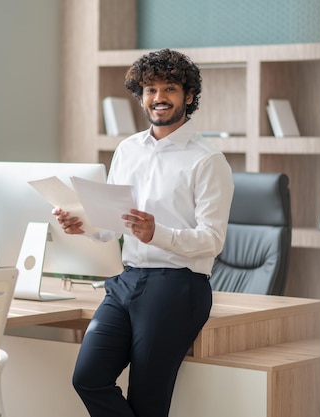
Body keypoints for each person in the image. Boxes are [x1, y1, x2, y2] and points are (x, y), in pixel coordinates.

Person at [52, 48, 234, 417]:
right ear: (140, 96)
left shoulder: (207, 160)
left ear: (189, 96)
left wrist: (157, 234)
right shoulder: (127, 149)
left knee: (147, 400)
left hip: (177, 285)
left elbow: (212, 241)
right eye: (150, 90)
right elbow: (115, 223)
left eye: (169, 89)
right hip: (127, 280)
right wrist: (83, 224)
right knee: (88, 378)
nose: (159, 98)